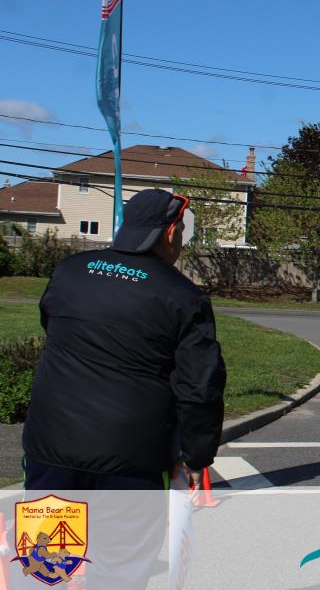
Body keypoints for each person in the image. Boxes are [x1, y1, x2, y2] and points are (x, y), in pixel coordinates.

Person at [21, 189, 226, 588]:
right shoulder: (184, 296)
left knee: (46, 570)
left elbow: (52, 325)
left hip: (52, 452)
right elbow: (200, 387)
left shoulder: (70, 271)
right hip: (131, 462)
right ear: (170, 232)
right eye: (181, 233)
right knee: (119, 572)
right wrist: (196, 455)